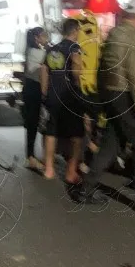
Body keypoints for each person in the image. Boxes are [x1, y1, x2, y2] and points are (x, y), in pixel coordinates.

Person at [74, 0, 135, 211]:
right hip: (124, 96)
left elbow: (101, 69)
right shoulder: (133, 38)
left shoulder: (114, 34)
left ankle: (85, 189)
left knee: (110, 144)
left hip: (110, 97)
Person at [39, 18, 85, 183]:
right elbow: (76, 70)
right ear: (74, 31)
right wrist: (79, 83)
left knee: (51, 131)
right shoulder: (75, 47)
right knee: (77, 135)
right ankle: (71, 172)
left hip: (53, 95)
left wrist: (45, 92)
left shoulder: (53, 49)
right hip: (69, 96)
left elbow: (44, 70)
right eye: (79, 31)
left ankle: (49, 169)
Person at [21, 27, 48, 172]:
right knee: (33, 123)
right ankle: (30, 157)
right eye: (44, 35)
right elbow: (48, 60)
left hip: (30, 90)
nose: (46, 38)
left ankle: (31, 156)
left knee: (33, 123)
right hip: (34, 90)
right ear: (37, 38)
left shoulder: (32, 50)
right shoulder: (37, 52)